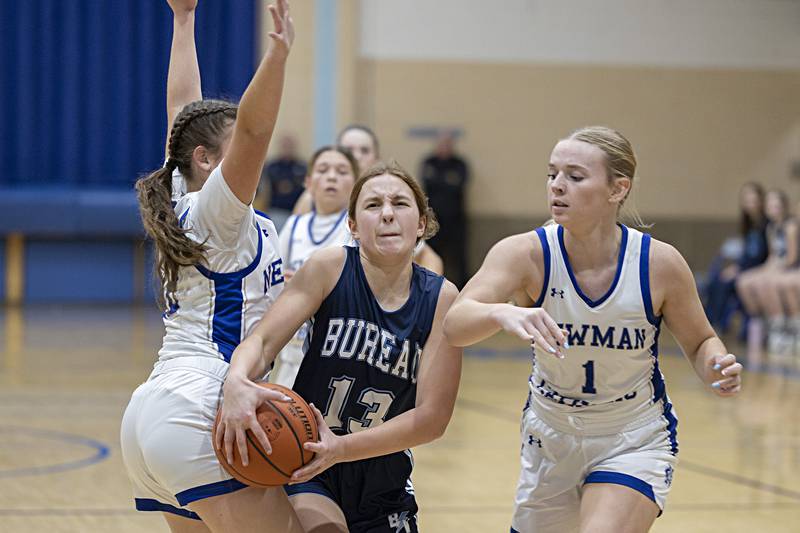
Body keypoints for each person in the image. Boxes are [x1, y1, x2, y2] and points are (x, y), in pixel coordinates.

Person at [443, 126, 743, 533]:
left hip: (632, 435)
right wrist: (502, 314)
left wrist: (716, 365)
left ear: (618, 189)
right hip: (550, 436)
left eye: (575, 176)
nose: (557, 186)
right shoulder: (525, 253)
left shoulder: (659, 264)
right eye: (552, 174)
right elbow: (455, 326)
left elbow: (701, 340)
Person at [119, 1, 303, 532]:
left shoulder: (180, 197)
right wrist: (278, 56)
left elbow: (182, 110)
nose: (254, 160)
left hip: (151, 415)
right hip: (203, 408)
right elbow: (253, 131)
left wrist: (183, 19)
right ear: (205, 159)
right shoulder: (221, 213)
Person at [216, 161, 462, 533]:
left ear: (422, 224)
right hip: (309, 457)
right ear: (352, 226)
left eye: (400, 203)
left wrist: (344, 449)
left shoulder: (442, 298)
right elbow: (263, 341)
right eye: (373, 205)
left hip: (383, 467)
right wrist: (236, 378)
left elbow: (432, 419)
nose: (388, 215)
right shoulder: (330, 268)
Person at [292, 124, 445, 275]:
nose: (356, 156)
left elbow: (428, 257)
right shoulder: (310, 199)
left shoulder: (389, 197)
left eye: (364, 150)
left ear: (377, 160)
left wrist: (425, 296)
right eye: (348, 150)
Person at [270, 145, 359, 387]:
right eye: (323, 169)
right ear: (309, 183)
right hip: (292, 354)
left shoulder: (357, 229)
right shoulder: (295, 226)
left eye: (342, 171)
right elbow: (274, 281)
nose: (332, 176)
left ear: (355, 185)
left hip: (336, 359)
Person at [735, 189, 798, 362]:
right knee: (744, 281)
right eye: (770, 205)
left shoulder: (790, 226)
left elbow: (791, 258)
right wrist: (765, 271)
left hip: (791, 268)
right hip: (778, 267)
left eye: (776, 204)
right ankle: (761, 322)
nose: (772, 208)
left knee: (769, 282)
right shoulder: (771, 227)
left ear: (783, 206)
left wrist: (771, 272)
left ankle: (786, 328)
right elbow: (772, 257)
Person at [703, 182, 767, 334]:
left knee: (726, 283)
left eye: (753, 198)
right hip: (746, 267)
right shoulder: (749, 224)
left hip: (758, 269)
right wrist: (736, 267)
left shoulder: (766, 224)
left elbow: (762, 255)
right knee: (715, 281)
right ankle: (711, 323)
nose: (749, 203)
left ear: (760, 200)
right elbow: (746, 253)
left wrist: (739, 269)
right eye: (746, 199)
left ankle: (720, 325)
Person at [420, 130, 469, 287]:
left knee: (459, 259)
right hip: (434, 219)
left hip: (456, 219)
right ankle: (431, 286)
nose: (444, 147)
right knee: (432, 255)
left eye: (447, 144)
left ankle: (462, 289)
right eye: (441, 144)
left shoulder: (459, 164)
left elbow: (459, 185)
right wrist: (447, 181)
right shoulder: (429, 162)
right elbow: (427, 184)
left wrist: (439, 181)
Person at [258, 133, 306, 230]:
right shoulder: (271, 166)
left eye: (289, 145)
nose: (287, 148)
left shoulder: (302, 167)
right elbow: (264, 188)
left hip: (296, 211)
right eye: (284, 145)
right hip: (276, 210)